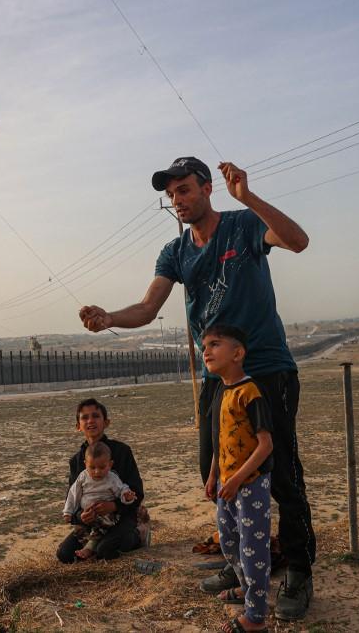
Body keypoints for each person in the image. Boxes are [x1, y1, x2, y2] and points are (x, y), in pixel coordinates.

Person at [78, 157, 315, 620]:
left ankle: (298, 569)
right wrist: (109, 319)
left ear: (208, 189)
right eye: (171, 195)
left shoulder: (244, 226)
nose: (178, 201)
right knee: (216, 471)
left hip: (265, 370)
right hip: (214, 380)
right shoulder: (176, 251)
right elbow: (147, 308)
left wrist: (248, 198)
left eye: (184, 190)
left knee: (281, 472)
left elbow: (299, 242)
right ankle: (241, 563)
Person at [202, 324, 274, 632]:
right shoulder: (221, 391)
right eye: (204, 345)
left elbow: (265, 445)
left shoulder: (250, 392)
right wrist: (213, 475)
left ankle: (255, 617)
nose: (206, 351)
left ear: (238, 353)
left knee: (252, 548)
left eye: (215, 344)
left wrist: (237, 479)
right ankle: (247, 589)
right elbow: (222, 439)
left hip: (251, 485)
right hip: (226, 485)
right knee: (229, 543)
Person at [57, 398, 145, 563]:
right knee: (65, 554)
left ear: (106, 422)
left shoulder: (122, 452)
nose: (90, 420)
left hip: (121, 517)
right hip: (92, 525)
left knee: (105, 549)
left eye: (96, 416)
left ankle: (140, 535)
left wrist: (114, 506)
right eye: (84, 417)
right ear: (78, 426)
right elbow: (72, 498)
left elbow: (137, 492)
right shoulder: (76, 461)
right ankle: (94, 545)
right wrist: (81, 517)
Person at [62, 441, 138, 559]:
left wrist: (125, 497)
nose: (97, 471)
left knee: (104, 548)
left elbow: (122, 489)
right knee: (65, 553)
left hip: (108, 516)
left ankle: (91, 546)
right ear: (85, 464)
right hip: (87, 516)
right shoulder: (82, 475)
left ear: (110, 464)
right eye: (92, 467)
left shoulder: (112, 477)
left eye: (102, 467)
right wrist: (71, 513)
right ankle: (90, 544)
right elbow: (73, 494)